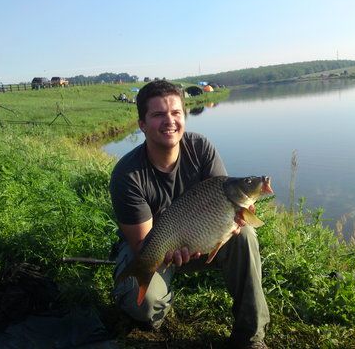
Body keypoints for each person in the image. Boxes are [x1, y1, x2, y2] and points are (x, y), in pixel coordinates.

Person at [109, 80, 269, 349]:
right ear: (142, 125)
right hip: (155, 248)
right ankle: (145, 288)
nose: (169, 121)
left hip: (203, 238)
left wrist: (240, 216)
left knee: (246, 236)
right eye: (158, 114)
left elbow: (224, 205)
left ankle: (251, 337)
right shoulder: (127, 175)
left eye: (175, 113)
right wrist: (169, 253)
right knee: (145, 311)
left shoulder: (201, 148)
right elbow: (142, 244)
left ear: (184, 116)